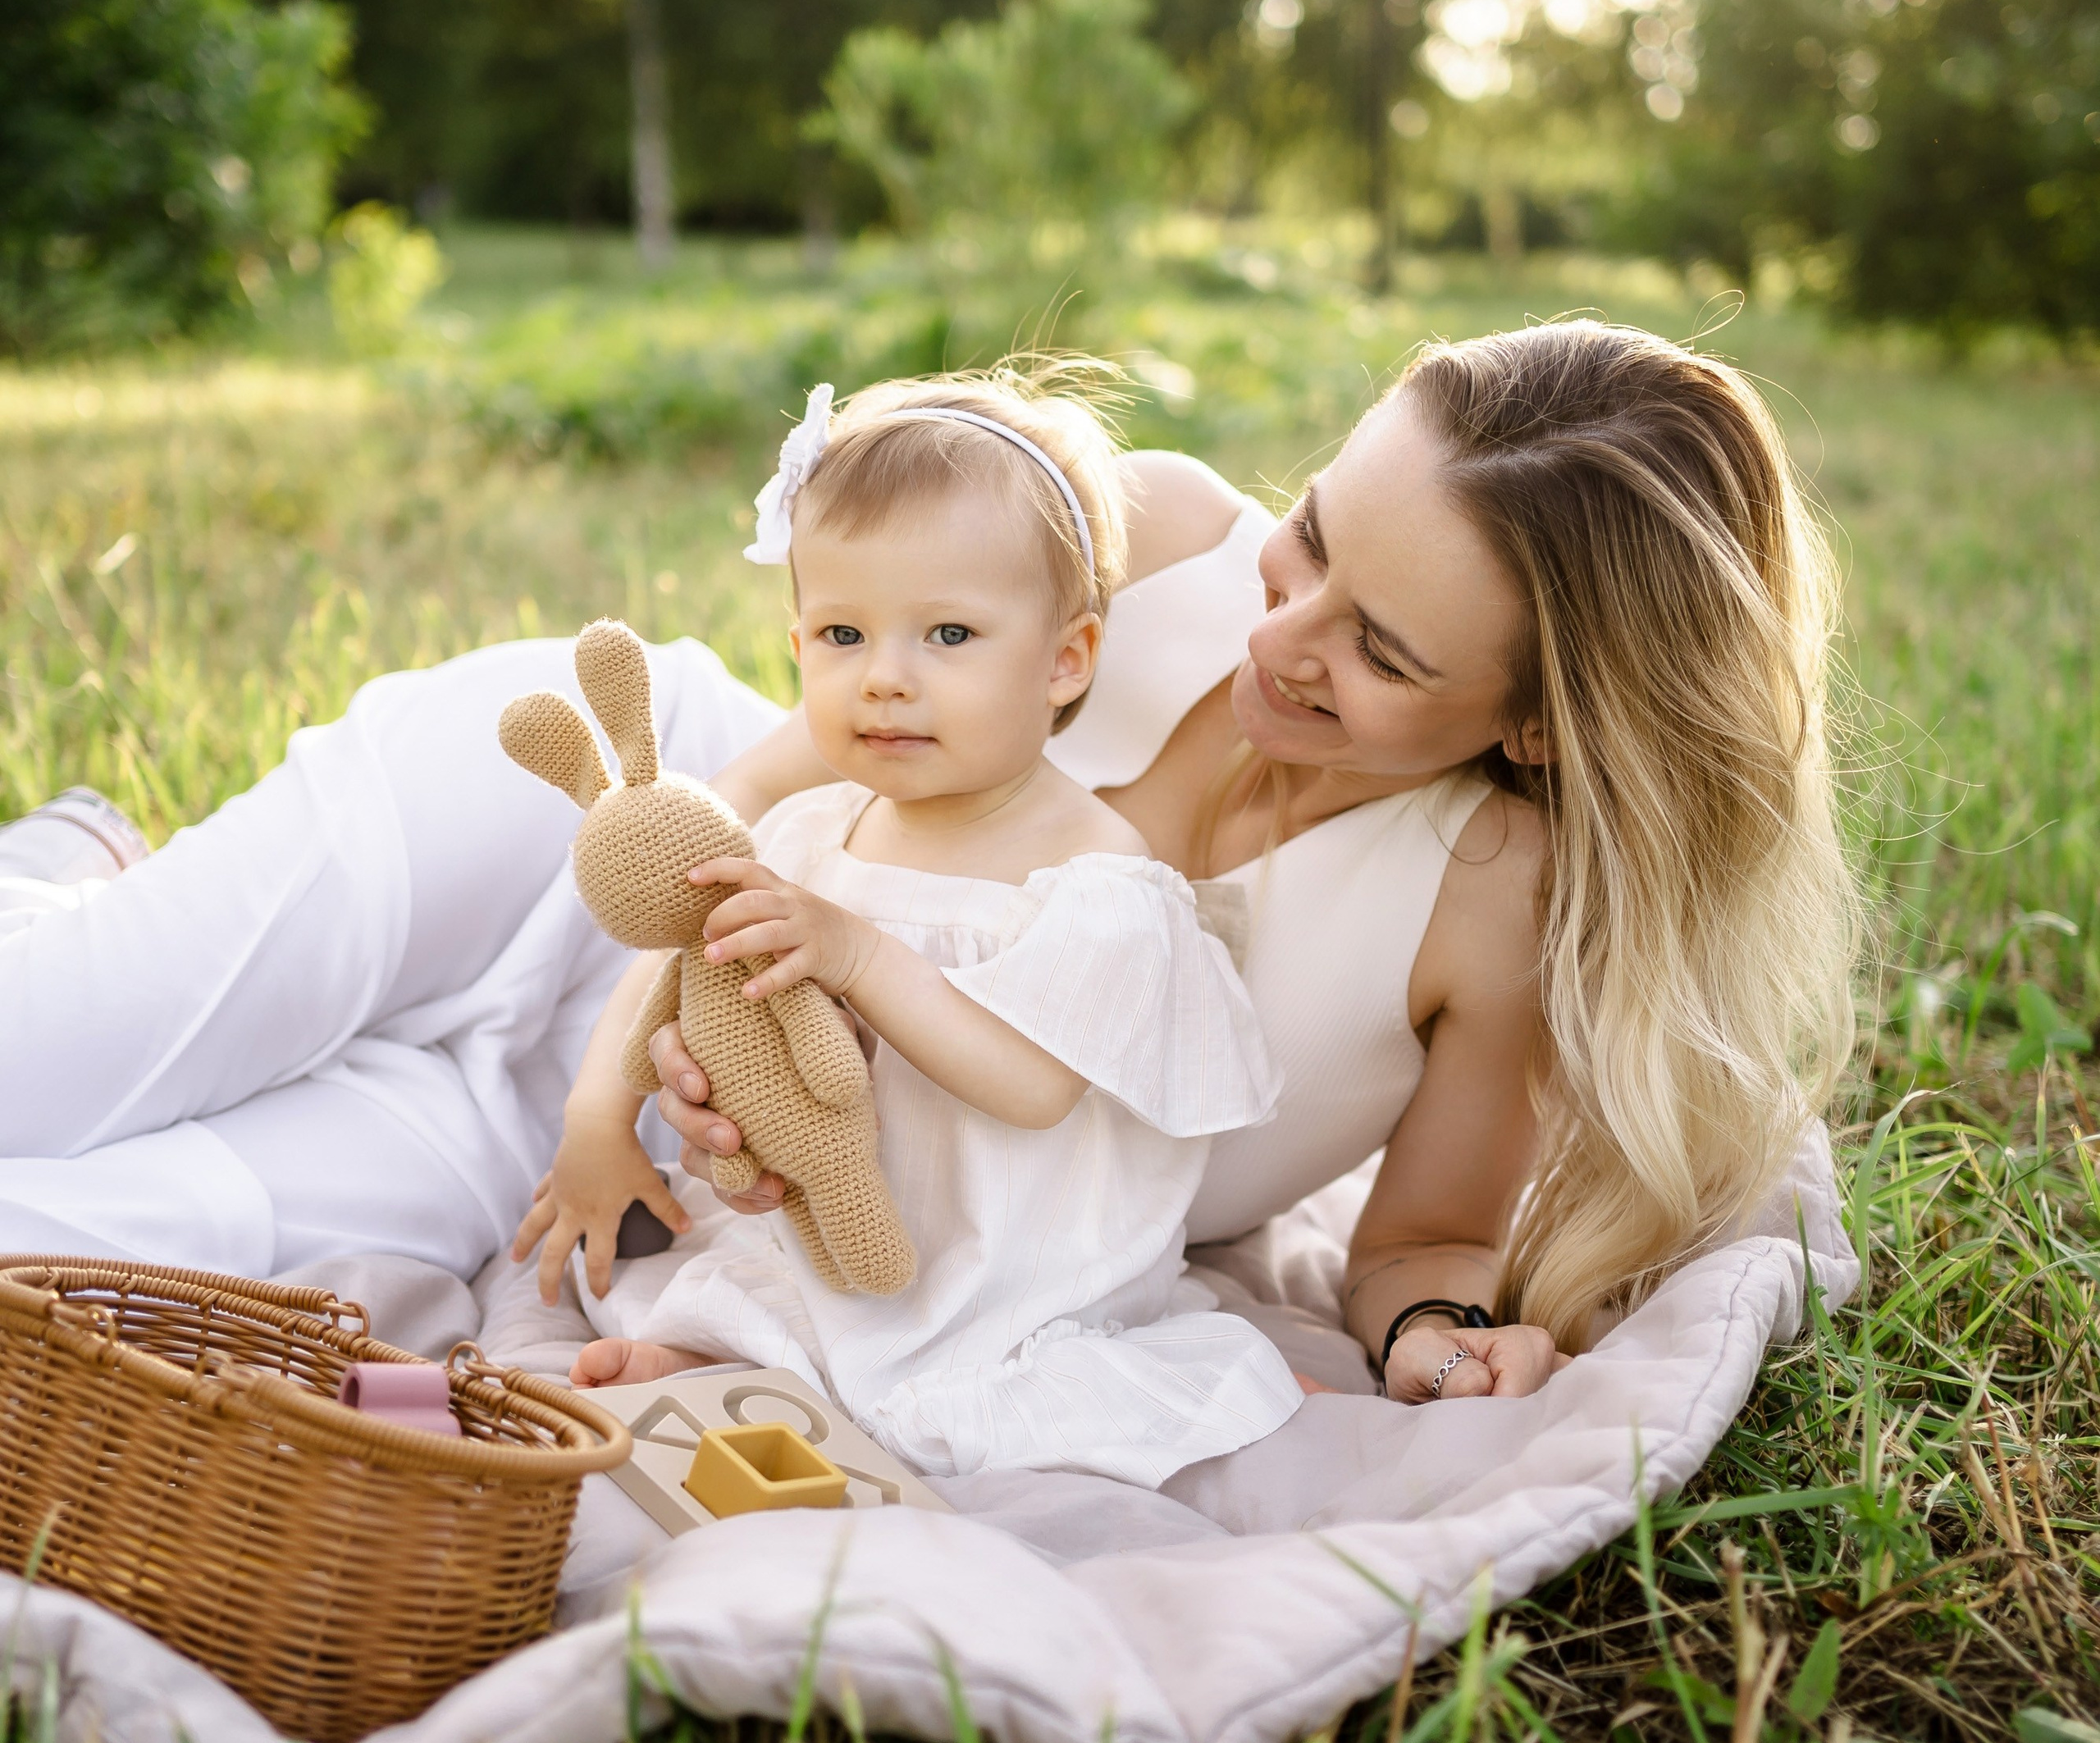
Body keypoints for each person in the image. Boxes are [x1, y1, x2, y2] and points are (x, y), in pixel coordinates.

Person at [0, 320, 1858, 1415]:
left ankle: (82, 879)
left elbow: (1430, 1243)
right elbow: (769, 774)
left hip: (634, 1176)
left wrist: (1447, 1340)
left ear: (1533, 724)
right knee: (37, 1051)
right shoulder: (1155, 536)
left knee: (59, 1243)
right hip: (558, 868)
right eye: (1310, 545)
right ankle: (86, 891)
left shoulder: (1484, 901)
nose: (1278, 641)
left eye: (1382, 652)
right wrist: (686, 1001)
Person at [527, 373, 1301, 1488]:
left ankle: (834, 1385)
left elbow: (1031, 1085)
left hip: (1010, 1263)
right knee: (759, 1276)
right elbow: (698, 983)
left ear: (1066, 660)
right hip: (839, 1226)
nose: (886, 678)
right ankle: (718, 1360)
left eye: (948, 633)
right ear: (797, 644)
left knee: (988, 1388)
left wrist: (855, 954)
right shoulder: (810, 836)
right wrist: (683, 1113)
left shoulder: (1099, 877)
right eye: (844, 633)